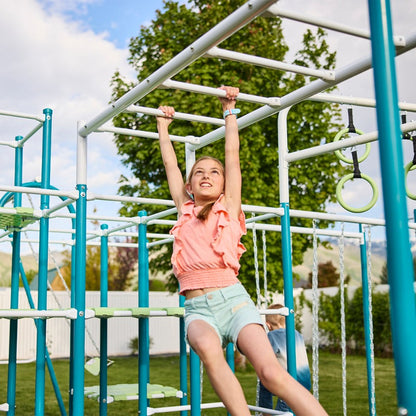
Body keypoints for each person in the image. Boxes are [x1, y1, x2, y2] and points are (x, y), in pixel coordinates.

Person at [156, 86, 328, 416]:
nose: (206, 176)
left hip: (233, 301)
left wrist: (229, 111)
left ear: (223, 184)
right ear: (190, 187)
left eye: (214, 172)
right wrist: (163, 129)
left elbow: (232, 157)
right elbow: (170, 164)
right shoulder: (185, 209)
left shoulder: (229, 207)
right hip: (198, 309)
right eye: (199, 173)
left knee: (271, 373)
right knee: (208, 349)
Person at [259, 304, 311, 415]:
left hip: (290, 385)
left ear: (268, 325)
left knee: (263, 383)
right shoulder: (297, 334)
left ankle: (265, 413)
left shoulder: (272, 336)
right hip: (305, 381)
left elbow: (264, 356)